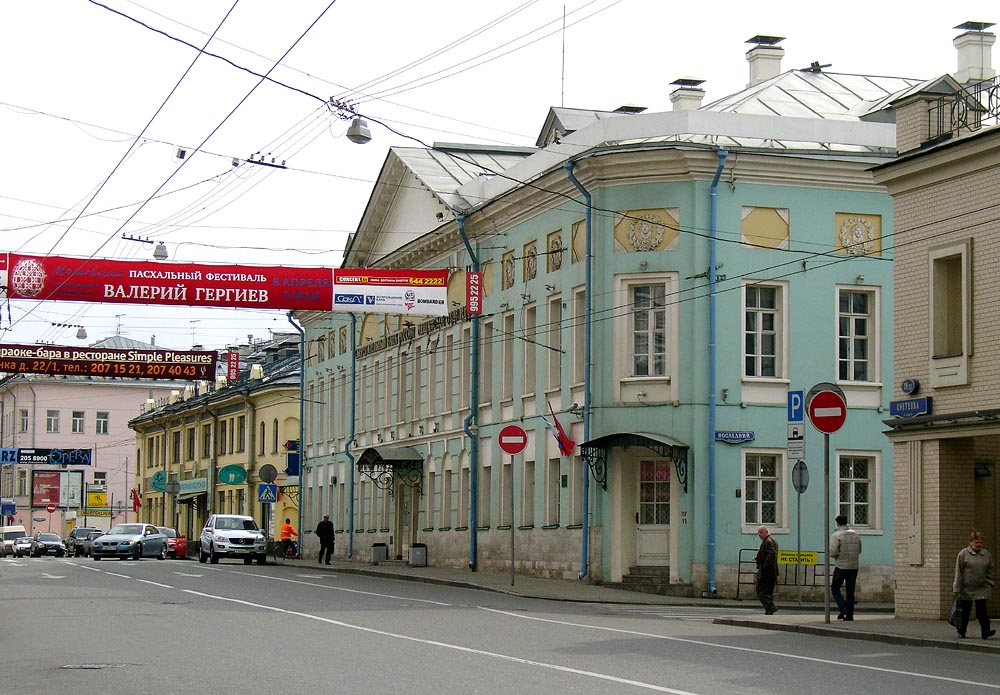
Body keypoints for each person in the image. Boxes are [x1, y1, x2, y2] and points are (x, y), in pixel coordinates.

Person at [953, 530, 996, 639]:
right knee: (966, 611)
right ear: (971, 542)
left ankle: (985, 631)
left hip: (982, 586)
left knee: (982, 610)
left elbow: (990, 569)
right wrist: (957, 588)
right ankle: (962, 630)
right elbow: (959, 571)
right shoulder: (963, 554)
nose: (979, 545)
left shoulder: (986, 554)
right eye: (977, 542)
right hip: (967, 587)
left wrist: (990, 581)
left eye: (980, 542)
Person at [829, 514, 862, 621]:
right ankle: (850, 614)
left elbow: (833, 552)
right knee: (850, 590)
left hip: (841, 566)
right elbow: (859, 550)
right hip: (853, 566)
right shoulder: (855, 534)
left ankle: (843, 607)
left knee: (835, 588)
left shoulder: (836, 535)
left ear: (837, 523)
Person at [754, 525, 779, 615]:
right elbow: (767, 554)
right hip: (771, 571)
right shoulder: (772, 540)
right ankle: (769, 610)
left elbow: (771, 554)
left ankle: (770, 606)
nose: (759, 535)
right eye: (758, 533)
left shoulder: (767, 541)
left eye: (760, 532)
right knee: (768, 591)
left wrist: (764, 566)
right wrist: (758, 558)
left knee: (760, 590)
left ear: (766, 532)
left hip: (767, 572)